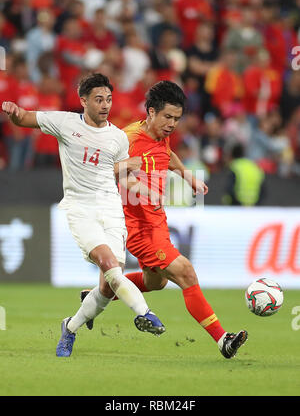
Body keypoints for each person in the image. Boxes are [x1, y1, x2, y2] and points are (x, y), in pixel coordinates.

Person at [1, 73, 165, 358]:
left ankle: (70, 327)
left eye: (109, 99)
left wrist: (143, 190)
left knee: (106, 286)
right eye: (99, 99)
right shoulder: (65, 122)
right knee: (108, 263)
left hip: (111, 209)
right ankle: (144, 313)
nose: (105, 105)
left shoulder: (117, 137)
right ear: (83, 101)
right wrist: (15, 113)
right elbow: (26, 118)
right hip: (80, 208)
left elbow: (124, 179)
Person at [82, 80, 248, 359]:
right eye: (167, 117)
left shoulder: (160, 134)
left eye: (177, 119)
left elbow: (165, 154)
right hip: (136, 224)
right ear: (150, 112)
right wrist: (138, 187)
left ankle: (98, 294)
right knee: (185, 272)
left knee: (157, 281)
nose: (172, 124)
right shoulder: (128, 139)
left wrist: (186, 175)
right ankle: (223, 340)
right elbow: (109, 169)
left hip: (156, 219)